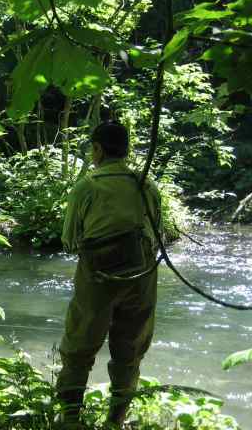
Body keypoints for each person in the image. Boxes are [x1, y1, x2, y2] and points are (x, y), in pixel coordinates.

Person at [54, 120, 162, 429]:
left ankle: (71, 419)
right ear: (126, 150)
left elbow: (70, 239)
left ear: (98, 149)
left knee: (79, 345)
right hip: (141, 275)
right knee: (130, 349)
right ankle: (116, 419)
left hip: (97, 276)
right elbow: (156, 232)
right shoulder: (146, 185)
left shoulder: (87, 186)